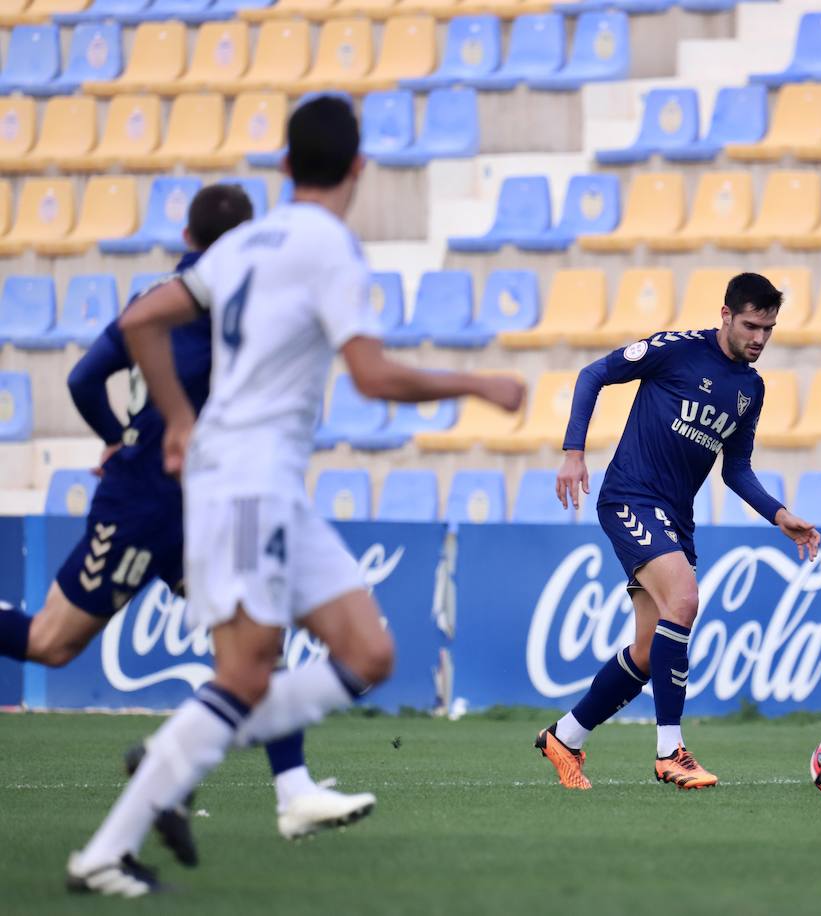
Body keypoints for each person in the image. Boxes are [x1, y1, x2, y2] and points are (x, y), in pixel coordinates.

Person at [66, 96, 524, 897]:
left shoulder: (244, 242)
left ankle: (180, 755)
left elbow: (142, 317)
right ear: (358, 168)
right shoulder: (329, 247)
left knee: (368, 654)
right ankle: (109, 848)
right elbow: (373, 375)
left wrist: (176, 419)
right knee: (245, 676)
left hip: (267, 484)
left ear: (284, 166)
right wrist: (477, 382)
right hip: (244, 482)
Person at [0, 185, 374, 864]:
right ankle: (192, 781)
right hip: (148, 505)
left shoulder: (163, 296)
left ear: (189, 235)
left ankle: (285, 789)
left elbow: (87, 378)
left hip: (199, 502)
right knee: (50, 642)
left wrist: (115, 434)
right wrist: (141, 444)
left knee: (255, 644)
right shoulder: (228, 303)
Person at [539, 272, 821, 791]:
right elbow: (592, 374)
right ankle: (671, 751)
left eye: (769, 329)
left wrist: (779, 514)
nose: (760, 339)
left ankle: (566, 737)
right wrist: (573, 452)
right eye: (751, 326)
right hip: (631, 497)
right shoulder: (674, 350)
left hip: (676, 519)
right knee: (685, 601)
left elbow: (735, 469)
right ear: (725, 315)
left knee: (648, 650)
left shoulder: (750, 390)